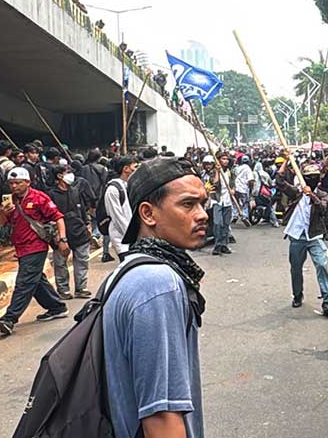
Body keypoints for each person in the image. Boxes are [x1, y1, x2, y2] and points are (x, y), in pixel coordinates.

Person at [103, 157, 209, 437]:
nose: (202, 214)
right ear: (148, 214)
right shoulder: (157, 284)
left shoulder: (130, 268)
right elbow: (161, 415)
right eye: (188, 204)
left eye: (202, 204)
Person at [0, 167, 70, 336]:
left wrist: (63, 239)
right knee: (35, 280)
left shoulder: (39, 197)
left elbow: (58, 217)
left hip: (36, 246)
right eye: (11, 183)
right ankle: (56, 307)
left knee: (24, 282)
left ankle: (9, 319)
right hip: (20, 247)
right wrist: (2, 212)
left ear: (28, 182)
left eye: (18, 183)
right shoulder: (9, 201)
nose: (14, 186)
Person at [277, 160, 328, 315]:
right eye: (308, 177)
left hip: (314, 236)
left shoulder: (323, 194)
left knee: (322, 264)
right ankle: (297, 295)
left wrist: (312, 196)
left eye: (314, 177)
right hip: (297, 235)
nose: (311, 179)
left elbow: (323, 209)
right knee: (296, 268)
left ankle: (327, 300)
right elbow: (279, 182)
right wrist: (287, 161)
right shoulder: (296, 192)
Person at [47, 166, 93, 299]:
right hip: (61, 234)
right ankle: (63, 289)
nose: (71, 175)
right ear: (59, 176)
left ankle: (81, 287)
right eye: (67, 173)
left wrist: (87, 224)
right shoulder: (51, 195)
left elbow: (83, 209)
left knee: (82, 260)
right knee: (60, 262)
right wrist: (56, 235)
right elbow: (49, 217)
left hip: (79, 230)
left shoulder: (75, 191)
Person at [106, 156, 137, 257]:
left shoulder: (129, 185)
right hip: (122, 240)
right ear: (126, 169)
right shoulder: (113, 189)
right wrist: (131, 236)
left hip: (133, 240)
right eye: (134, 167)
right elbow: (117, 217)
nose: (136, 170)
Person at [209, 153, 235, 255]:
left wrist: (233, 190)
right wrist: (217, 171)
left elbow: (233, 185)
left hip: (227, 201)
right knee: (218, 223)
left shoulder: (230, 173)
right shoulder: (214, 172)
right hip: (217, 200)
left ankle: (224, 245)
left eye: (227, 159)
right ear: (218, 160)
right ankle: (217, 245)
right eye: (223, 159)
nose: (226, 161)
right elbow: (214, 183)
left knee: (226, 224)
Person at [234, 155, 254, 228]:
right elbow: (250, 180)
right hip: (243, 189)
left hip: (236, 188)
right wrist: (251, 188)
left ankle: (235, 215)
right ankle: (244, 216)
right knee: (245, 203)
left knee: (235, 202)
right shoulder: (248, 169)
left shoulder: (237, 168)